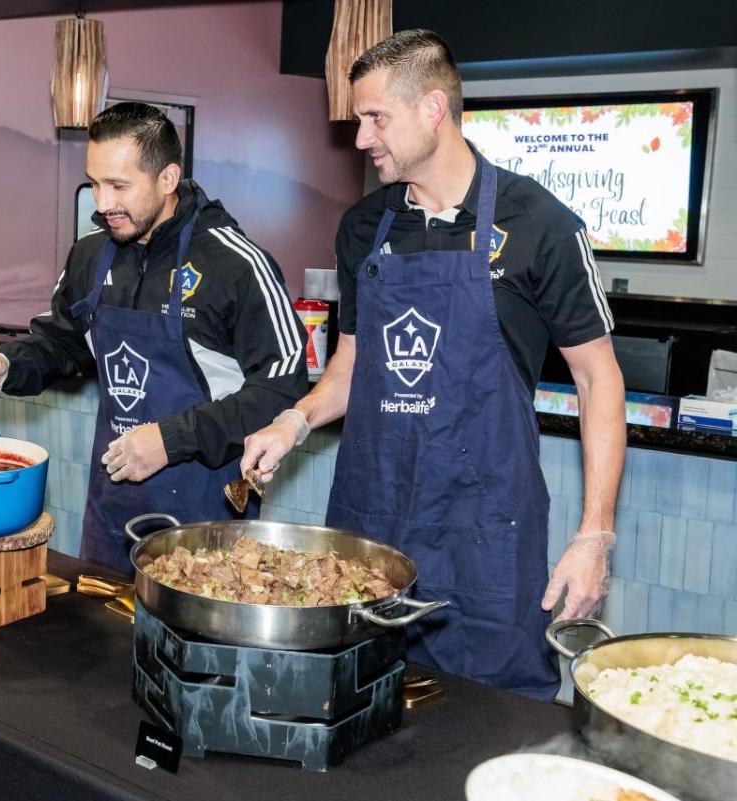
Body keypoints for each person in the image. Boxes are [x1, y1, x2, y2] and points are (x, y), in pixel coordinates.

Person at [241, 29, 625, 700]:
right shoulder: (364, 228)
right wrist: (293, 422)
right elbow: (352, 363)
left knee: (491, 718)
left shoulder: (539, 224)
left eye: (375, 117)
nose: (361, 138)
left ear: (433, 109)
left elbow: (600, 380)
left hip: (485, 537)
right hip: (371, 523)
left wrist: (594, 536)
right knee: (357, 704)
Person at [0, 102, 308, 573]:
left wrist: (171, 440)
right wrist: (8, 364)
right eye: (95, 183)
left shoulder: (236, 264)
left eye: (119, 186)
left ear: (167, 178)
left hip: (206, 520)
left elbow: (281, 388)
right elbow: (62, 342)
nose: (102, 203)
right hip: (113, 509)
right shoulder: (90, 256)